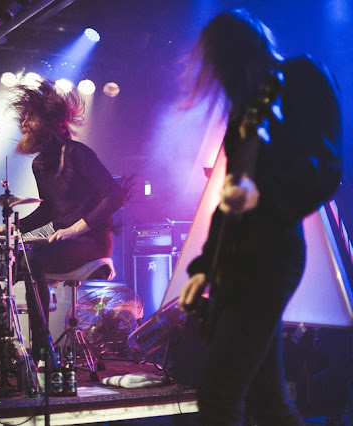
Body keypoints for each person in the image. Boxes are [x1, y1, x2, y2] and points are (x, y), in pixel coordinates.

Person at [178, 9, 342, 425]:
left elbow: (327, 166)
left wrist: (265, 194)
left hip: (273, 256)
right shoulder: (246, 109)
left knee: (219, 394)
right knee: (266, 400)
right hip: (238, 260)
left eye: (221, 63)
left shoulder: (302, 77)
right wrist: (203, 268)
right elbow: (228, 202)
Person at [0, 79, 130, 362]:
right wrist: (13, 228)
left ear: (51, 121)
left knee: (31, 260)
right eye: (23, 117)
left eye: (31, 116)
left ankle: (42, 350)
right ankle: (0, 349)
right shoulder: (39, 164)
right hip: (63, 242)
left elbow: (115, 196)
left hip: (92, 241)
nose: (24, 123)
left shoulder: (78, 153)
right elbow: (47, 210)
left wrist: (76, 229)